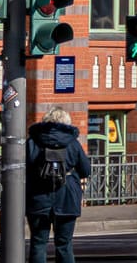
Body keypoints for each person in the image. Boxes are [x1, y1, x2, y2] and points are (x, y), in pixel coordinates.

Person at [26, 107, 91, 263]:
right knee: (64, 244)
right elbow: (85, 170)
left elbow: (23, 168)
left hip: (38, 197)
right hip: (67, 197)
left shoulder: (33, 141)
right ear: (66, 123)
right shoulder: (72, 143)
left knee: (38, 243)